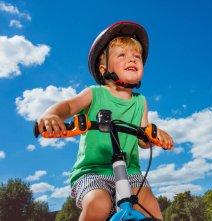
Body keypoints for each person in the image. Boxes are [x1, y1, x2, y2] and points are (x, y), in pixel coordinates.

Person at [37, 21, 173, 221]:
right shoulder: (95, 94)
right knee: (98, 204)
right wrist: (52, 115)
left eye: (137, 56)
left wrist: (155, 136)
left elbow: (143, 140)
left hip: (130, 172)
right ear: (103, 69)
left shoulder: (141, 102)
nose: (132, 59)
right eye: (122, 55)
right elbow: (68, 106)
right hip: (92, 172)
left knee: (149, 204)